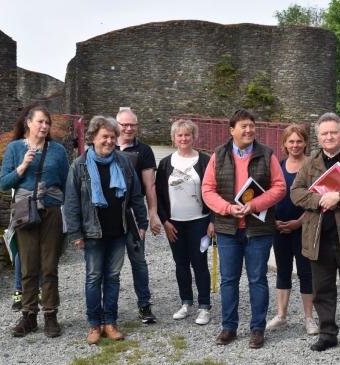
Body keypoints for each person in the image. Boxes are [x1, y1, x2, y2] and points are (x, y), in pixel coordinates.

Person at [202, 109, 285, 348]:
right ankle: (229, 327)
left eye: (251, 126)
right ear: (232, 131)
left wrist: (255, 204)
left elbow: (279, 188)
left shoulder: (266, 154)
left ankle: (257, 329)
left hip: (258, 229)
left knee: (257, 279)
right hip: (228, 227)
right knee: (228, 280)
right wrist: (228, 209)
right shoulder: (218, 155)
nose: (248, 130)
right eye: (243, 126)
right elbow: (208, 190)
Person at [291, 113, 340, 356]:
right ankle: (327, 333)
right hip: (318, 238)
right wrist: (319, 200)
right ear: (318, 138)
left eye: (333, 132)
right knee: (322, 289)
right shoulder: (309, 164)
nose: (329, 137)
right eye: (324, 134)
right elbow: (296, 193)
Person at [64, 116, 148, 344]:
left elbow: (137, 196)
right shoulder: (79, 166)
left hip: (118, 231)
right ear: (93, 138)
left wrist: (142, 224)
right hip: (92, 233)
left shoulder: (123, 162)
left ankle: (110, 322)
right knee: (93, 278)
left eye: (113, 137)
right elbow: (71, 203)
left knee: (113, 277)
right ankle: (94, 324)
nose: (109, 141)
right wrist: (76, 234)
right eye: (104, 137)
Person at [0, 104, 70, 338]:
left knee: (49, 266)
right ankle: (29, 316)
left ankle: (50, 314)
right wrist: (21, 168)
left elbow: (65, 183)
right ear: (28, 123)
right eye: (40, 121)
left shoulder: (58, 151)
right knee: (28, 265)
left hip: (50, 210)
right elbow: (4, 183)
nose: (44, 126)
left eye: (47, 123)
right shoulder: (14, 148)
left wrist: (67, 213)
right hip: (25, 211)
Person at [155, 119, 214, 325]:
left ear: (193, 137)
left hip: (200, 221)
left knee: (199, 263)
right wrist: (164, 221)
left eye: (187, 135)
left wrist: (212, 220)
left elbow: (213, 191)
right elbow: (159, 195)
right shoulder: (165, 164)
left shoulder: (205, 161)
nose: (183, 138)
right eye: (179, 135)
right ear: (173, 138)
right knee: (181, 263)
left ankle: (204, 306)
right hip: (175, 223)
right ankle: (186, 302)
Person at [266, 125, 318, 335]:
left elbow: (317, 200)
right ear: (284, 144)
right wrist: (274, 221)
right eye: (291, 141)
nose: (295, 145)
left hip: (304, 227)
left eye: (299, 141)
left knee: (306, 272)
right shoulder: (277, 167)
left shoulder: (313, 167)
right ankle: (281, 315)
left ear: (305, 143)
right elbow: (270, 196)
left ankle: (308, 318)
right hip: (280, 228)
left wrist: (300, 222)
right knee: (283, 270)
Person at [116, 107, 160, 324]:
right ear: (117, 125)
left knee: (138, 261)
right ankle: (109, 308)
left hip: (134, 213)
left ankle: (144, 305)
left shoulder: (144, 150)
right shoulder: (104, 144)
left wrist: (153, 214)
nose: (129, 128)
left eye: (132, 124)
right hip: (110, 214)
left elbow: (149, 186)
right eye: (124, 124)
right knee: (109, 264)